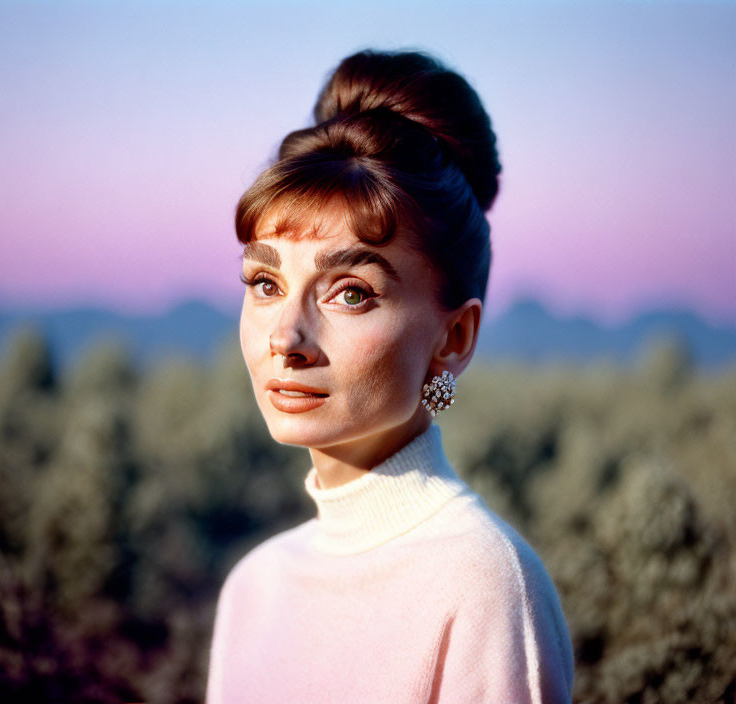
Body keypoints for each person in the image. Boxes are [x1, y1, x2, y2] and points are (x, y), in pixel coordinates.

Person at [206, 48, 574, 703]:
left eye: (349, 293)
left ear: (453, 338)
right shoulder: (252, 590)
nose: (285, 337)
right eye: (265, 283)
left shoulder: (482, 583)